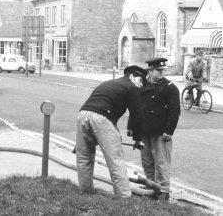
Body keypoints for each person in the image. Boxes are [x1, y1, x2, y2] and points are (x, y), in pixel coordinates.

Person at [76, 65, 147, 198]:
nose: (141, 85)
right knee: (115, 158)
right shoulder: (132, 87)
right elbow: (137, 115)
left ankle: (85, 191)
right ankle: (124, 197)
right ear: (131, 77)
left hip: (83, 114)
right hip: (102, 118)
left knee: (84, 156)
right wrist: (138, 139)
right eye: (140, 80)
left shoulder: (109, 83)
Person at [129, 57, 180, 201]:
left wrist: (169, 131)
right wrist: (131, 127)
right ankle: (150, 185)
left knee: (162, 161)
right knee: (147, 160)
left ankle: (163, 190)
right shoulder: (142, 86)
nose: (162, 73)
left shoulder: (170, 87)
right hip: (144, 130)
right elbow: (135, 107)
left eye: (163, 70)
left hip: (160, 131)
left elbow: (175, 111)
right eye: (159, 70)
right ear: (150, 71)